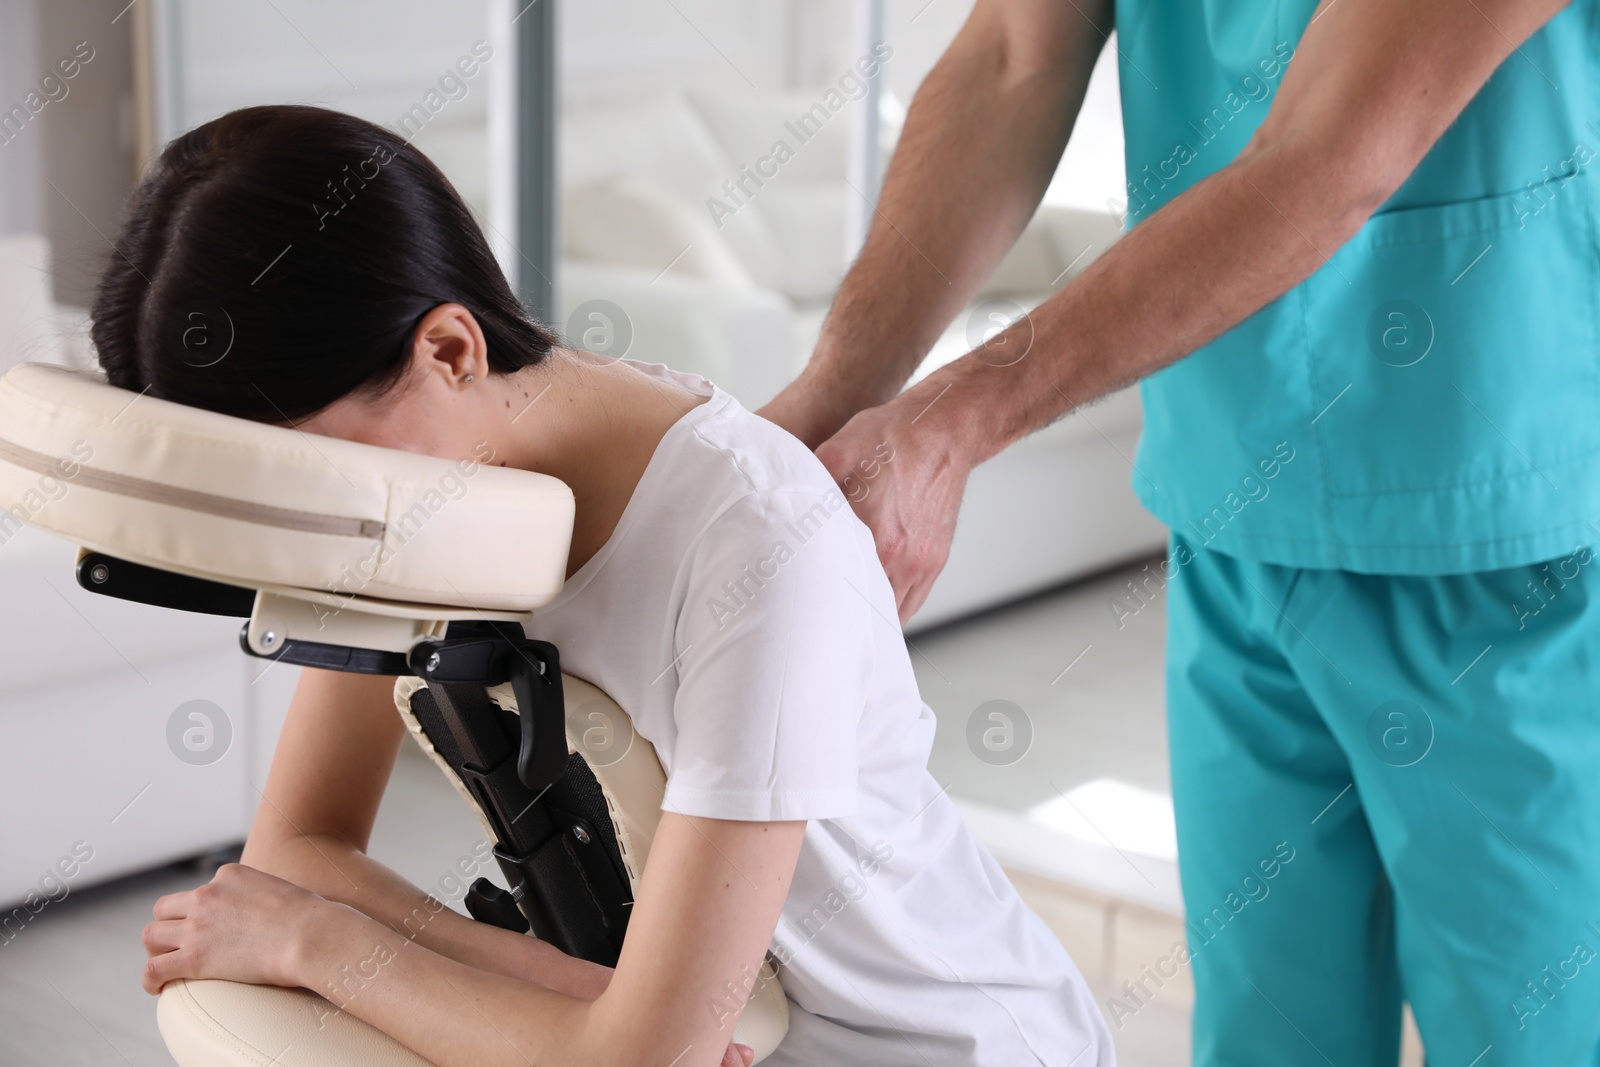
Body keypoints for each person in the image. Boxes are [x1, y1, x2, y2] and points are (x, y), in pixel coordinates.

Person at [93, 104, 1112, 1067]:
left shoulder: (753, 538)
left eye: (312, 471)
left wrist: (323, 944)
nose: (316, 522)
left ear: (449, 349)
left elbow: (638, 1050)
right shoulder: (410, 501)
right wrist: (592, 999)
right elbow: (297, 853)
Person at [760, 0, 1599, 1062]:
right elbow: (1014, 58)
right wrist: (831, 394)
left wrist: (954, 419)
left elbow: (1332, 153)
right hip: (1234, 503)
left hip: (1487, 529)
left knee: (1532, 1035)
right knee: (1266, 1033)